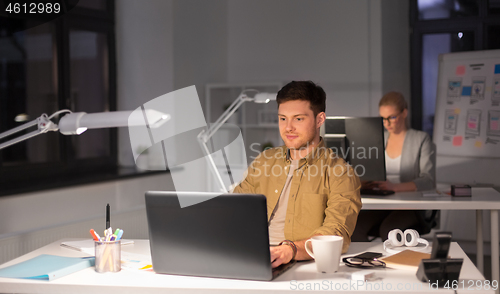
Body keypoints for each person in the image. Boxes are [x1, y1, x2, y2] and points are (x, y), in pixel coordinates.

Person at [232, 81, 362, 268]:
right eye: (283, 118)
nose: (288, 127)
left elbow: (336, 233)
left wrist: (291, 249)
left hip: (295, 261)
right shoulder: (264, 160)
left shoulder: (340, 172)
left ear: (319, 119)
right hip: (249, 254)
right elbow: (235, 207)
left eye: (298, 119)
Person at [351, 91, 436, 242]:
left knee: (389, 230)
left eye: (392, 117)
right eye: (383, 119)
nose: (387, 123)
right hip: (382, 202)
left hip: (410, 205)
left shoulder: (421, 139)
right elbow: (368, 171)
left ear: (404, 113)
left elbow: (428, 180)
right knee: (354, 226)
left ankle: (394, 264)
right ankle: (367, 262)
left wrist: (395, 187)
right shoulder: (378, 138)